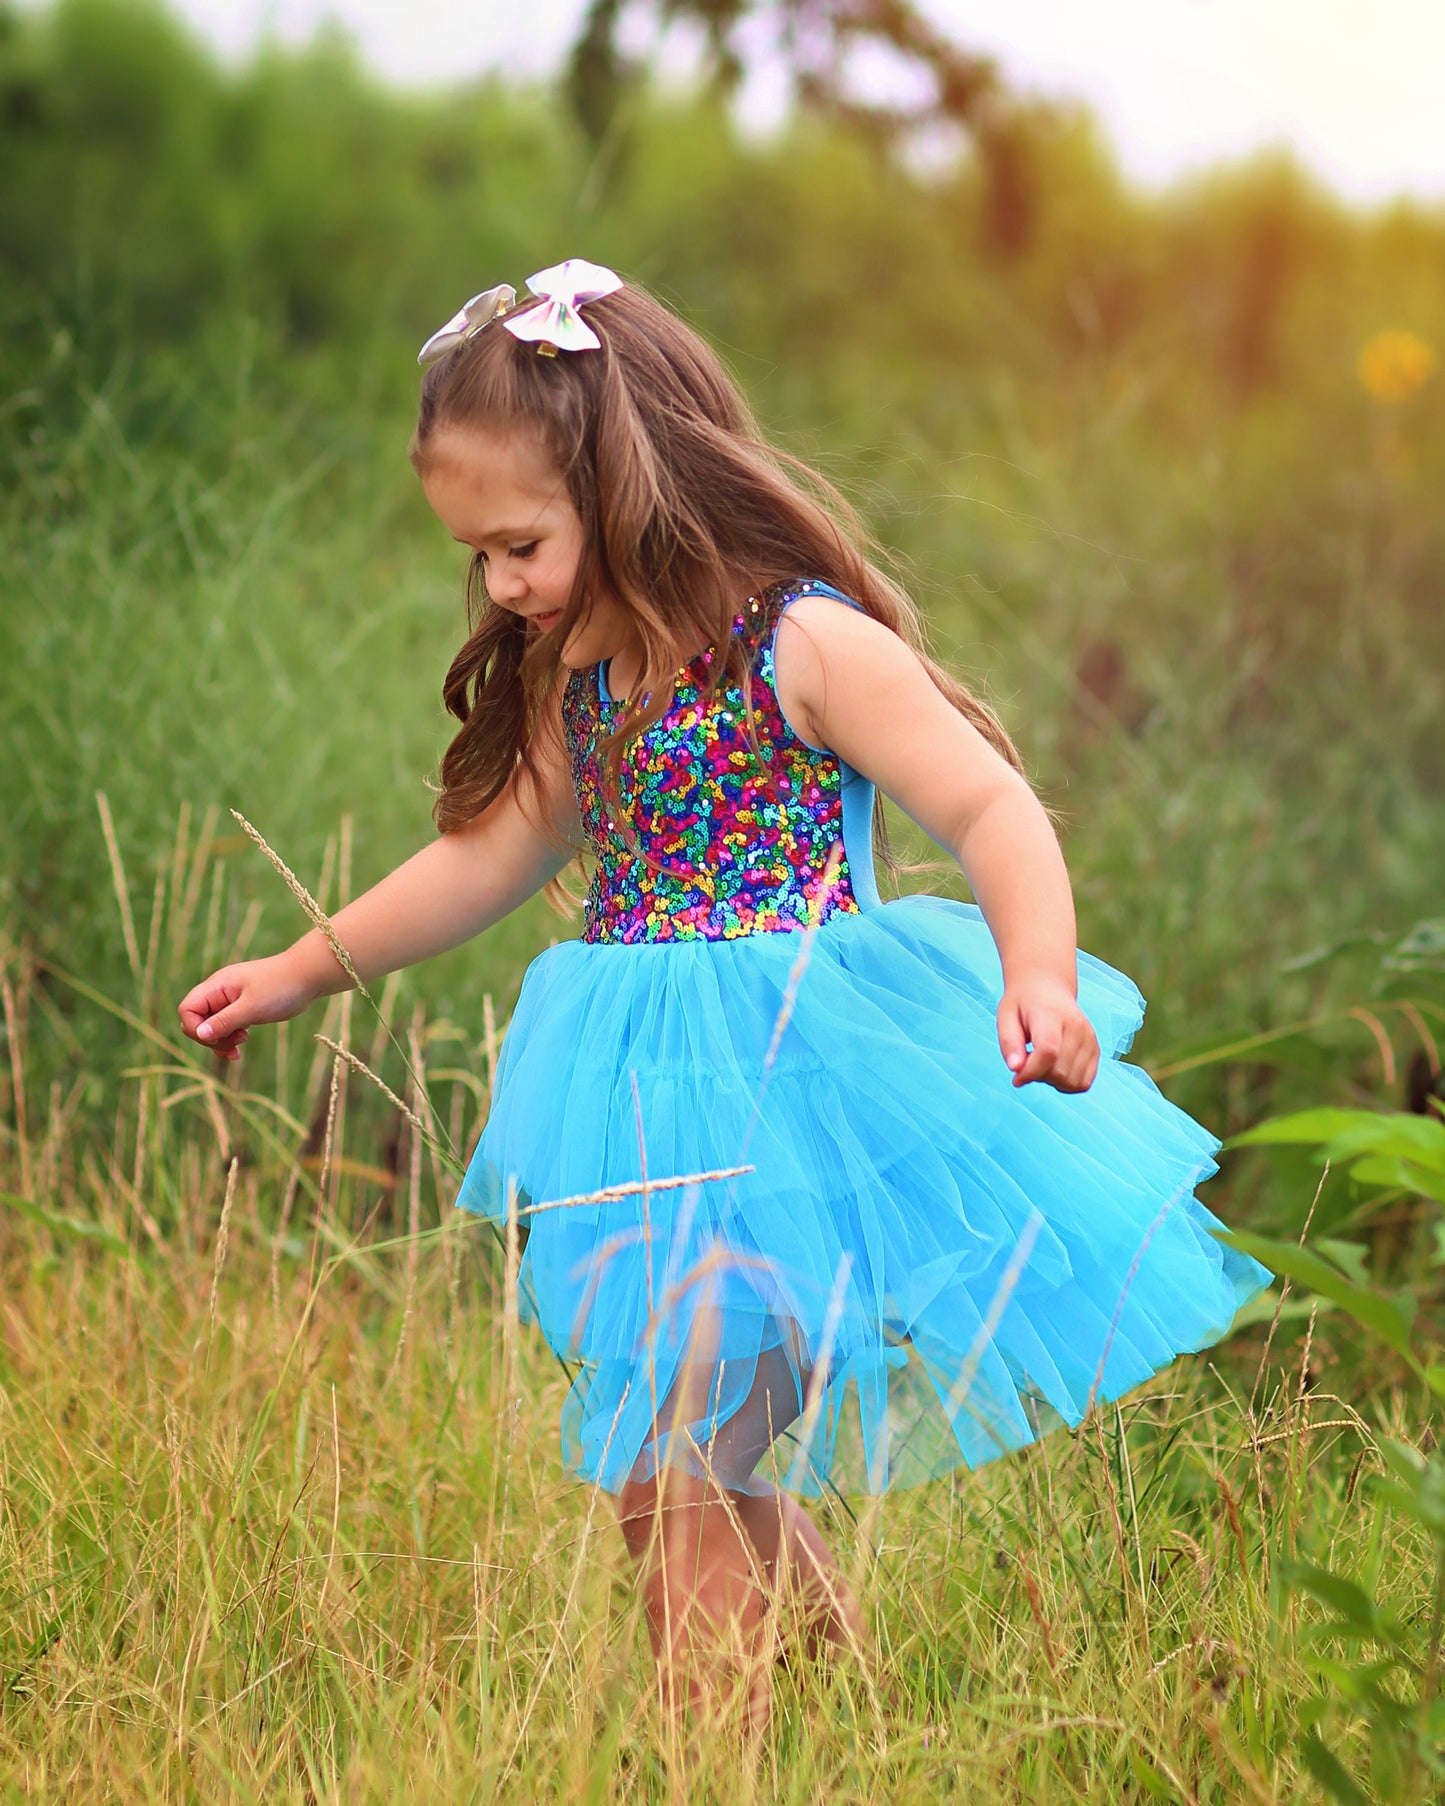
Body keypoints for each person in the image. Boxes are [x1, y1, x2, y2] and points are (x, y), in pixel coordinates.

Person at [178, 259, 1270, 1727]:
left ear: (620, 482)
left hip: (799, 1120)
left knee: (683, 1461)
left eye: (519, 544)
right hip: (646, 1122)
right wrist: (303, 967)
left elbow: (993, 807)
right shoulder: (586, 673)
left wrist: (1037, 978)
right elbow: (486, 855)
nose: (499, 586)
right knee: (677, 1475)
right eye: (479, 559)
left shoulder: (801, 645)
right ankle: (845, 1733)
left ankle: (719, 1754)